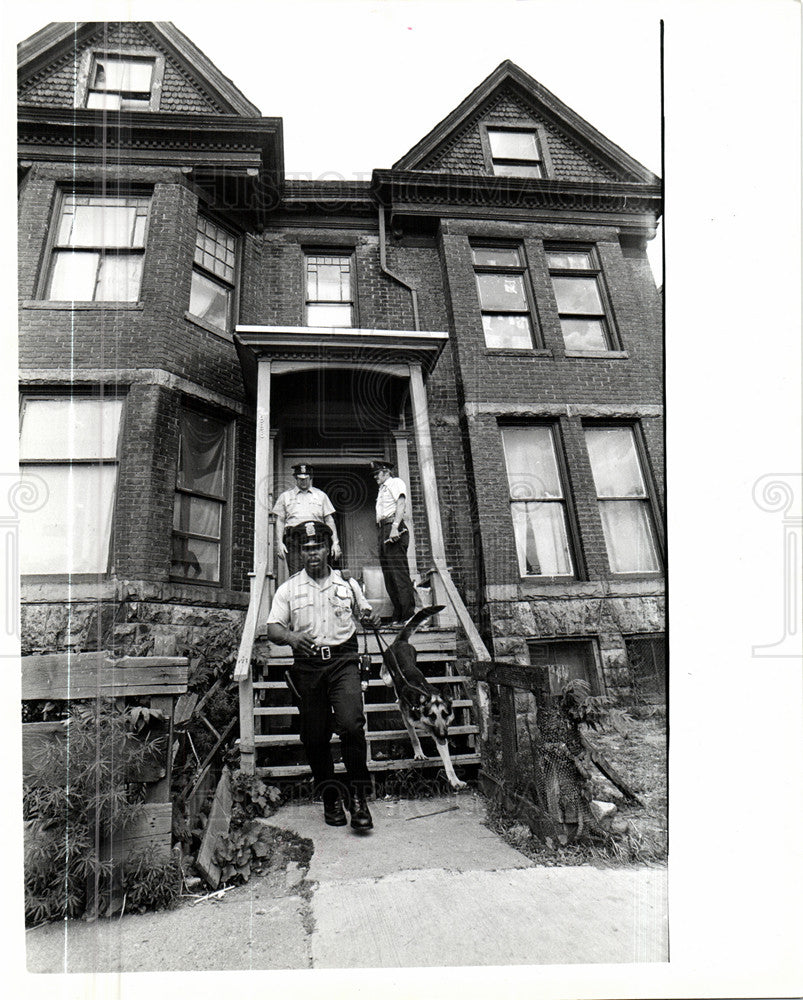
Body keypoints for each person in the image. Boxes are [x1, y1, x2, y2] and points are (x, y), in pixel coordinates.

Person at [265, 520, 380, 830]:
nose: (312, 552)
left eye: (317, 547)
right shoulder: (289, 588)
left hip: (343, 659)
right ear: (300, 552)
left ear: (329, 549)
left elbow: (365, 613)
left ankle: (358, 799)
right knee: (314, 737)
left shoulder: (348, 585)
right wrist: (290, 638)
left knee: (352, 726)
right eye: (306, 548)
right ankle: (330, 797)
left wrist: (368, 614)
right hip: (308, 665)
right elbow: (272, 627)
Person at [370, 460, 416, 625]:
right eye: (374, 474)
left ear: (386, 472)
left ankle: (409, 614)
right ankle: (400, 614)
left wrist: (395, 527)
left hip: (393, 527)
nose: (375, 477)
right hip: (383, 529)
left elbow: (401, 504)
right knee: (389, 575)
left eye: (377, 473)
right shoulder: (382, 490)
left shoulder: (395, 483)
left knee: (399, 573)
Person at [273, 463, 341, 574]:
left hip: (318, 538)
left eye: (306, 478)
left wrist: (335, 543)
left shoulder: (321, 496)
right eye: (300, 479)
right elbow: (280, 520)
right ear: (295, 478)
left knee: (319, 572)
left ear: (310, 477)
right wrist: (279, 543)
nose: (303, 481)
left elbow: (329, 520)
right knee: (296, 574)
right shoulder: (285, 496)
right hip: (294, 539)